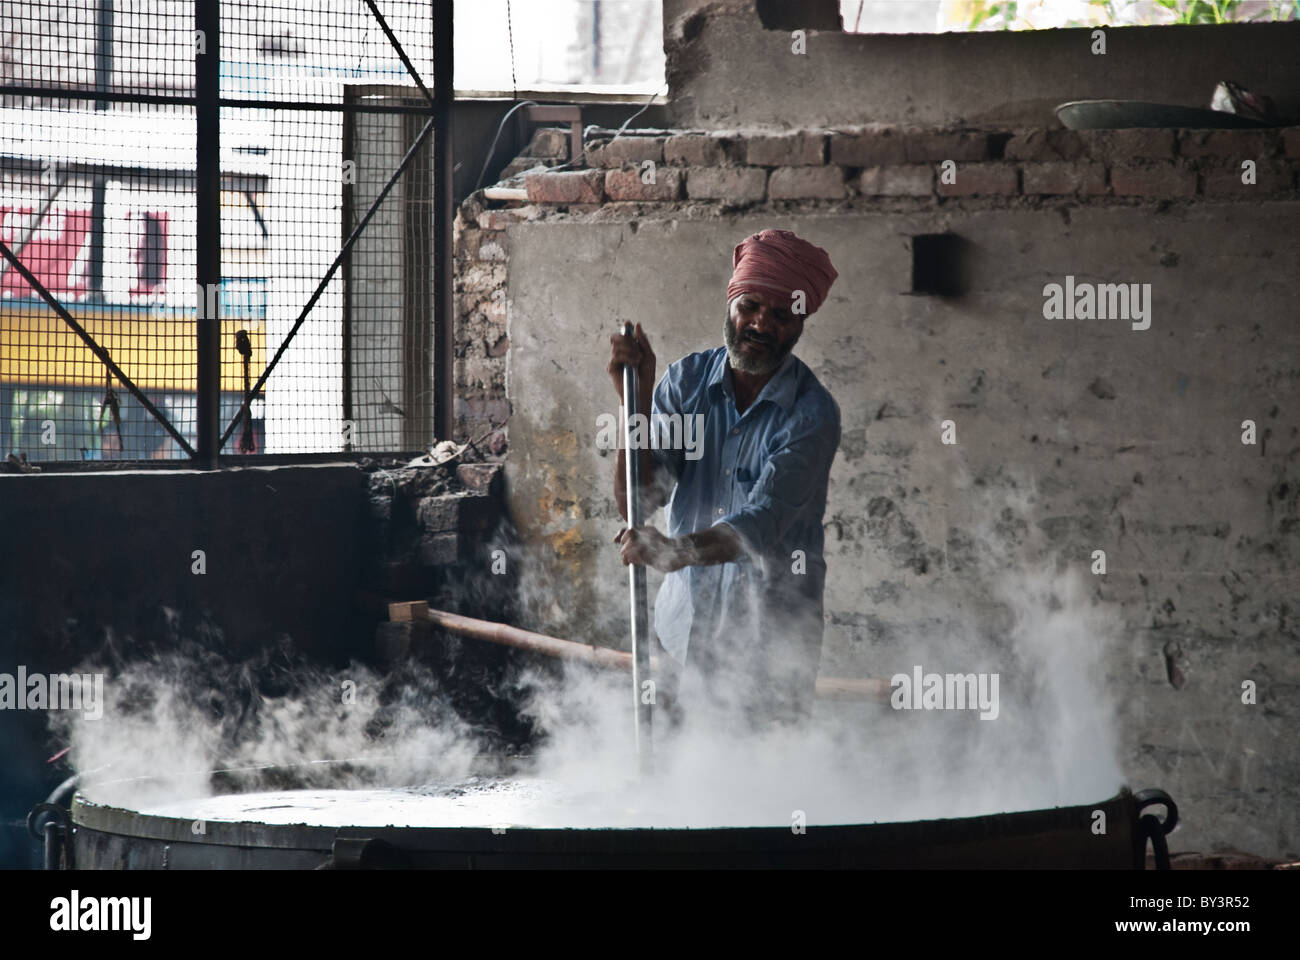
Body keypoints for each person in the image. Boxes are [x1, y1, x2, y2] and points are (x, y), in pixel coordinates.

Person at [606, 229, 841, 731]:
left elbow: (762, 521)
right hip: (682, 632)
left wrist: (674, 553)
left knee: (760, 791)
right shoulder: (686, 384)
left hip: (770, 647)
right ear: (732, 302)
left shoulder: (811, 415)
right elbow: (639, 500)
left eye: (781, 315)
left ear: (800, 323)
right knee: (676, 785)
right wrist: (636, 401)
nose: (760, 324)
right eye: (751, 306)